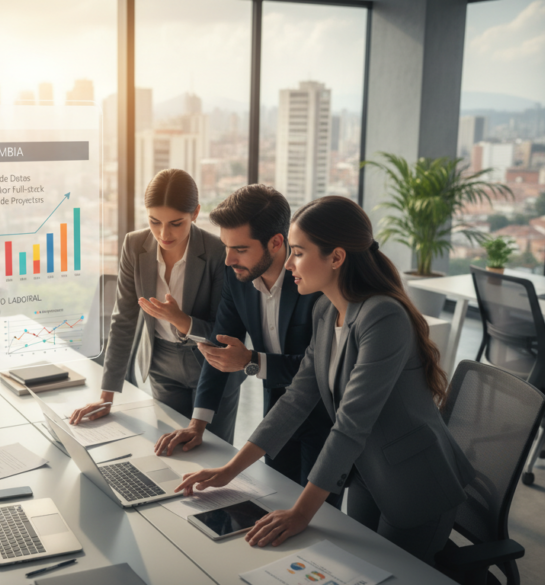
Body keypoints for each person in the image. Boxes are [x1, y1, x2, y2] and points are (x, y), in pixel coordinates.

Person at [175, 196, 475, 565]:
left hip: (416, 483)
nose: (288, 264)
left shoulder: (383, 317)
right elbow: (297, 398)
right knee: (359, 566)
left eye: (298, 253)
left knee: (392, 573)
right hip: (369, 472)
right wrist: (230, 469)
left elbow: (351, 424)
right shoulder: (326, 310)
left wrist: (301, 512)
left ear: (336, 257)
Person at [152, 185, 339, 507]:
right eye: (225, 247)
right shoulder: (236, 275)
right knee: (274, 504)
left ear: (276, 242)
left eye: (239, 248)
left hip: (327, 416)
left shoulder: (315, 283)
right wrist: (198, 424)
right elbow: (220, 348)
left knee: (321, 519)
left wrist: (252, 361)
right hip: (276, 415)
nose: (227, 258)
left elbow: (322, 367)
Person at [69, 169, 244, 443]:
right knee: (169, 447)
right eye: (154, 221)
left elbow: (225, 333)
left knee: (211, 452)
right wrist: (106, 397)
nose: (164, 233)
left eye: (176, 223)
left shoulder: (217, 252)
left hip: (212, 365)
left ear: (195, 213)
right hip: (161, 366)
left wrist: (181, 320)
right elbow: (123, 319)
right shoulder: (134, 245)